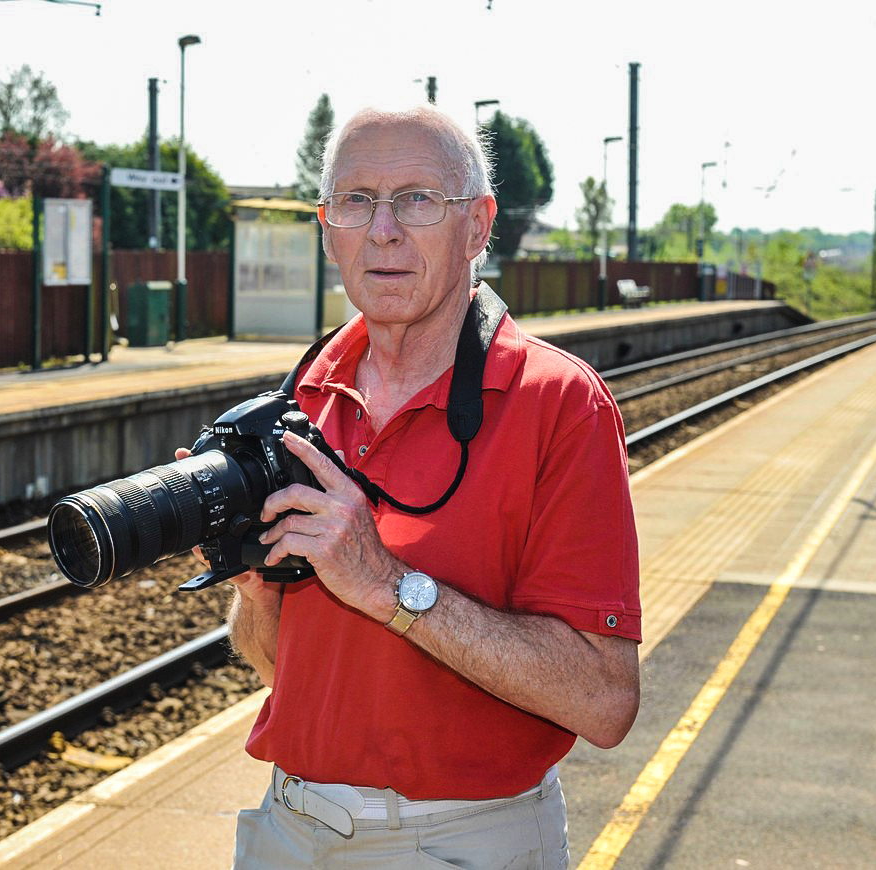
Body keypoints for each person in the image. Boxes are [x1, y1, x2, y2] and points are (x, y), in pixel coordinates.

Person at [222, 105, 641, 869]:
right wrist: (257, 592)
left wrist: (386, 583)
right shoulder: (301, 399)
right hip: (288, 829)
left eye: (417, 199)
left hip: (461, 844)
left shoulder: (559, 403)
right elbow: (283, 664)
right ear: (327, 228)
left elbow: (605, 701)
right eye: (356, 201)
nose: (383, 230)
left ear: (477, 226)